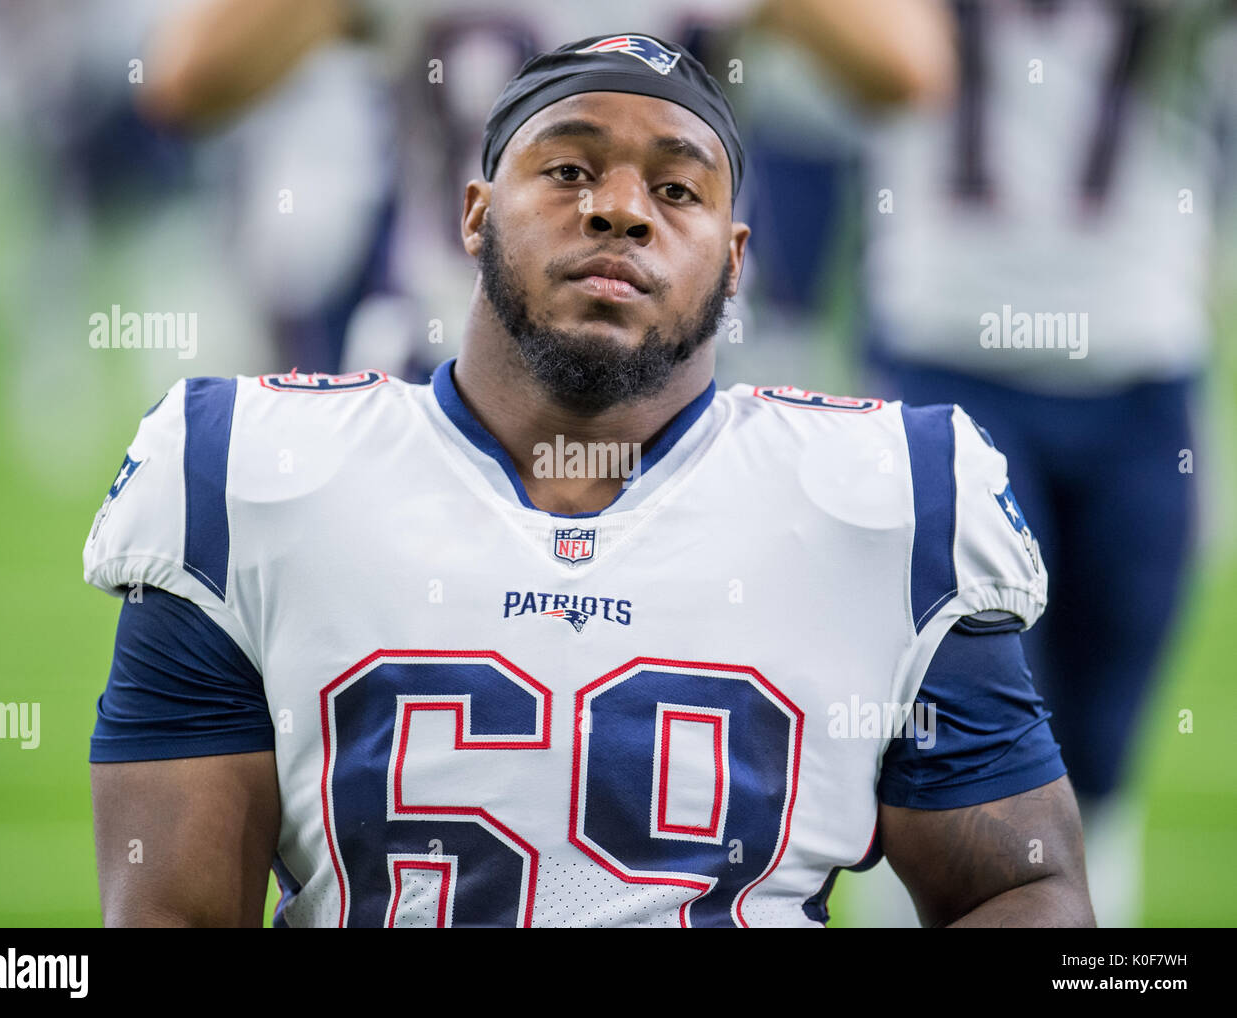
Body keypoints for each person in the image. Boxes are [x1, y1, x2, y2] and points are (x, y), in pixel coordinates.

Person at [85, 33, 1093, 927]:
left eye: (676, 187)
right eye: (568, 169)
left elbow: (1018, 887)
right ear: (473, 214)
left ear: (735, 259)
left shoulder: (888, 494)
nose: (618, 209)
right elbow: (172, 909)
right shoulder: (248, 470)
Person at [761, 0, 1237, 926]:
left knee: (1101, 756)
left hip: (1140, 366)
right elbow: (828, 90)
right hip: (949, 361)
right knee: (945, 745)